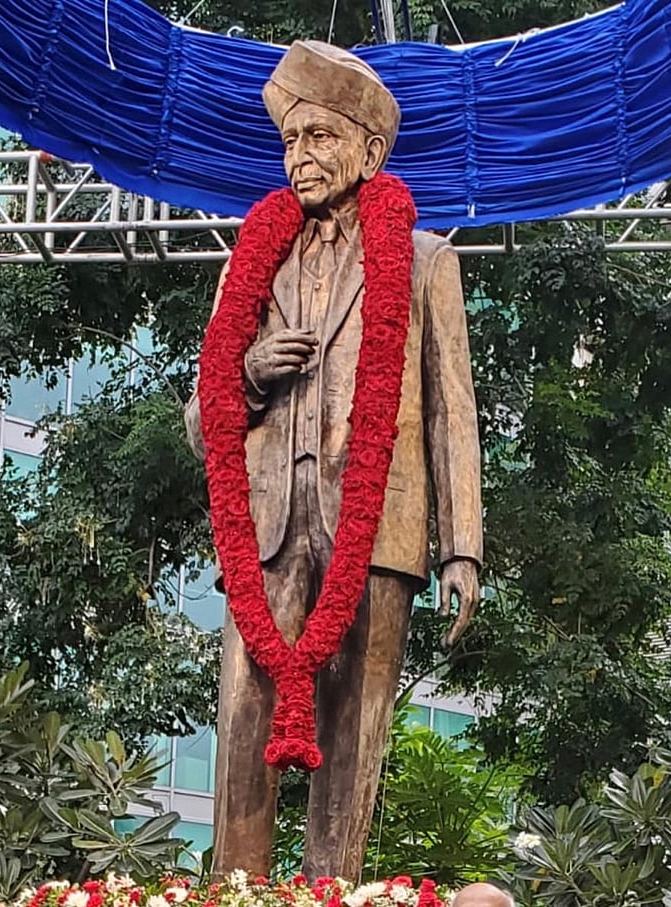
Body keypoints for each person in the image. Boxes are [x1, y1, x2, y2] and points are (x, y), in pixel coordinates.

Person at [185, 39, 482, 881]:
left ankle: (332, 892)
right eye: (290, 141)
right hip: (269, 527)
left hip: (376, 526)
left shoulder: (426, 261)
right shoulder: (249, 263)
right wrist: (248, 371)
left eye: (318, 138)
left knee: (354, 734)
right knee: (244, 725)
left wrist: (462, 544)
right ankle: (234, 894)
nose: (299, 158)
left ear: (369, 151)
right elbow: (199, 417)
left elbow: (452, 409)